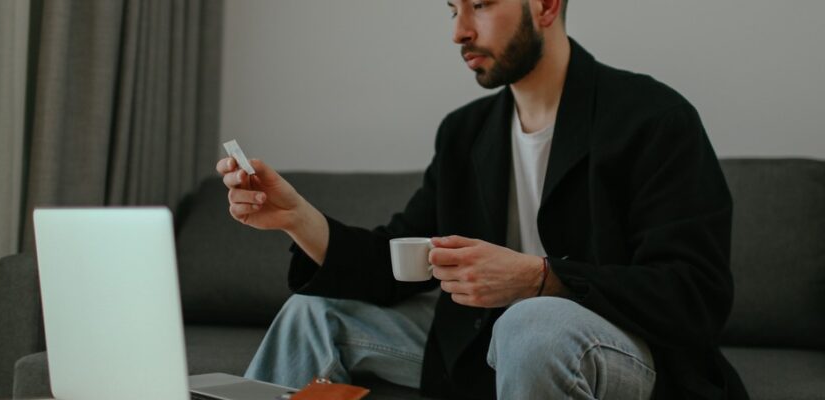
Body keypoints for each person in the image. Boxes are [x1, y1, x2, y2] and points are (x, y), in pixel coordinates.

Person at [217, 0, 749, 398]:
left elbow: (694, 294)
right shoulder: (464, 134)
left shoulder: (652, 118)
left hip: (633, 354)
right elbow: (399, 263)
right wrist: (296, 218)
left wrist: (541, 279)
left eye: (482, 4)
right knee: (313, 311)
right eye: (453, 9)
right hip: (484, 343)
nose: (459, 31)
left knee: (531, 323)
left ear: (544, 5)